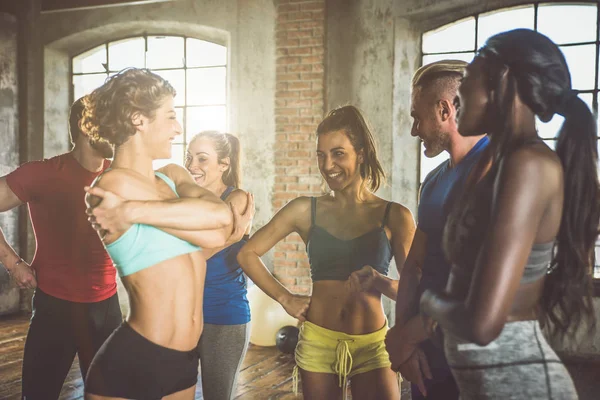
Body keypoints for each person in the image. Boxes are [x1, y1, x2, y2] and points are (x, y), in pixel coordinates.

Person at [420, 28, 598, 399]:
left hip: (524, 386)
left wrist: (428, 302)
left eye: (467, 80)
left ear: (501, 80)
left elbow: (482, 324)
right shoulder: (497, 165)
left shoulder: (528, 164)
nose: (459, 95)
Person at [80, 68, 251, 400]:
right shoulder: (112, 185)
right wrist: (212, 225)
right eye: (171, 116)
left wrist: (133, 211)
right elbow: (219, 226)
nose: (178, 128)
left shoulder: (172, 176)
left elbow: (220, 220)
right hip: (136, 358)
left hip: (181, 362)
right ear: (138, 119)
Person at [237, 105, 415, 400]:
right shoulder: (306, 209)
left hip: (373, 344)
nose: (327, 164)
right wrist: (285, 298)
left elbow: (415, 291)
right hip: (318, 342)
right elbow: (247, 253)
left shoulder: (394, 215)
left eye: (338, 153)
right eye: (321, 154)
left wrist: (380, 281)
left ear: (361, 153)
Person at [0, 97, 121, 400]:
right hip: (56, 307)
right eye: (109, 123)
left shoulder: (119, 178)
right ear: (86, 125)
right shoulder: (41, 173)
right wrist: (13, 263)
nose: (117, 132)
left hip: (107, 308)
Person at [384, 60, 488, 400]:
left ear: (445, 110)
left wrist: (408, 337)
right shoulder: (432, 183)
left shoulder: (498, 173)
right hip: (427, 356)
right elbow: (415, 268)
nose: (415, 130)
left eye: (417, 116)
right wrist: (404, 343)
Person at [185, 131, 253, 400]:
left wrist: (229, 239)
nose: (192, 166)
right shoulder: (186, 199)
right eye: (190, 158)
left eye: (202, 159)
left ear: (224, 164)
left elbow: (193, 256)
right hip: (184, 315)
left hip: (223, 314)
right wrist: (230, 237)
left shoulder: (238, 199)